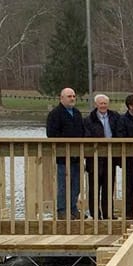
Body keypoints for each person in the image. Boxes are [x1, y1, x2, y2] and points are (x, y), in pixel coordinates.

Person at [46, 87, 84, 220]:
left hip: (77, 156)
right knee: (63, 184)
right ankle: (62, 210)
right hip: (63, 157)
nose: (72, 98)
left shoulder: (77, 113)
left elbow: (82, 133)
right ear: (61, 98)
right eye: (69, 96)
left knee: (76, 184)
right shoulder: (55, 114)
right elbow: (51, 135)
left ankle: (73, 208)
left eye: (74, 96)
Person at [83, 94, 120, 219]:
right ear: (96, 105)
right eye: (101, 103)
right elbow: (86, 137)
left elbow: (119, 133)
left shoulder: (115, 116)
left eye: (105, 103)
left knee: (108, 187)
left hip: (110, 157)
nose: (103, 106)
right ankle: (95, 214)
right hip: (94, 158)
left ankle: (108, 213)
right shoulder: (89, 120)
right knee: (94, 188)